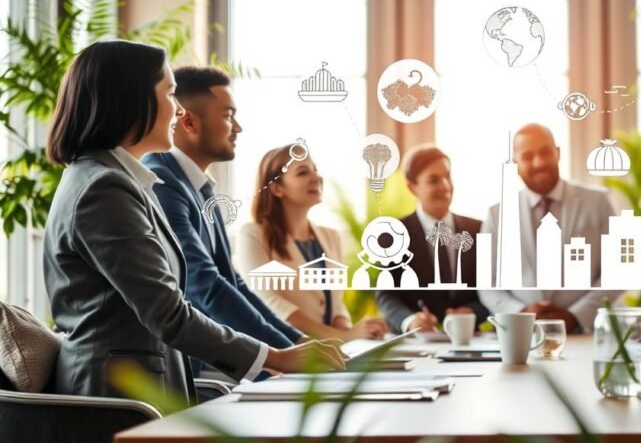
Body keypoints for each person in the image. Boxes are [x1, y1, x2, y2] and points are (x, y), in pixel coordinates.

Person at [43, 40, 345, 401]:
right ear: (133, 100)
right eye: (170, 94)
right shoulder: (104, 189)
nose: (177, 110)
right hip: (115, 400)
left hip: (138, 391)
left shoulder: (120, 180)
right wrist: (277, 357)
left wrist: (292, 348)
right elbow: (167, 312)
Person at [143, 67, 305, 377]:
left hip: (209, 364)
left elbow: (232, 281)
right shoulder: (161, 182)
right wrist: (285, 355)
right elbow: (204, 285)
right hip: (179, 373)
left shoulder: (200, 186)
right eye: (228, 116)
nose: (238, 127)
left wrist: (297, 343)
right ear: (189, 122)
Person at [236, 145, 387, 340]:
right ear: (276, 188)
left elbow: (336, 304)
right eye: (302, 172)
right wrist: (342, 337)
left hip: (329, 351)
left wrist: (353, 332)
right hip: (287, 348)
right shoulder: (252, 235)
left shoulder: (331, 236)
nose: (316, 177)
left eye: (315, 170)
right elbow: (270, 303)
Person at [479, 123, 617, 333]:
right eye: (527, 156)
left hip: (584, 332)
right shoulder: (496, 214)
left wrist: (576, 315)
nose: (539, 163)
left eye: (545, 152)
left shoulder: (598, 202)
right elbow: (487, 285)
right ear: (515, 163)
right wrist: (521, 313)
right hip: (522, 335)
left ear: (558, 153)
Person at [376, 145, 489, 333]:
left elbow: (492, 289)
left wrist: (472, 311)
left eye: (447, 176)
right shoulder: (393, 234)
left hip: (468, 339)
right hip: (416, 341)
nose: (445, 185)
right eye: (433, 180)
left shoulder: (478, 230)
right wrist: (410, 320)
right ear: (412, 188)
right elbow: (386, 295)